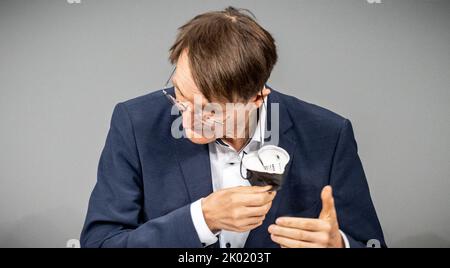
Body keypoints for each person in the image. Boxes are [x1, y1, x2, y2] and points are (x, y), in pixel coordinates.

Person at [80, 6, 385, 248]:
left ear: (256, 98)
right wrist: (202, 218)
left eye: (211, 111)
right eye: (180, 96)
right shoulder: (135, 123)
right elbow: (99, 244)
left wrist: (338, 246)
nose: (188, 121)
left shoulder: (328, 135)